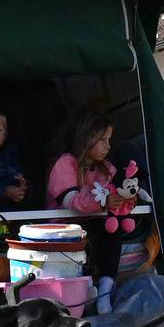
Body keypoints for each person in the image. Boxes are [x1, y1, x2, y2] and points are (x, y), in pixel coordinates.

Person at [47, 112, 123, 313]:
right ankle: (88, 286)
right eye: (102, 140)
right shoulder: (65, 163)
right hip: (64, 226)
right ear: (86, 138)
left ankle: (105, 288)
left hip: (93, 222)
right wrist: (103, 202)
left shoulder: (106, 169)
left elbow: (112, 195)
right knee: (86, 236)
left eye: (109, 140)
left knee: (113, 231)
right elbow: (70, 201)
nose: (108, 146)